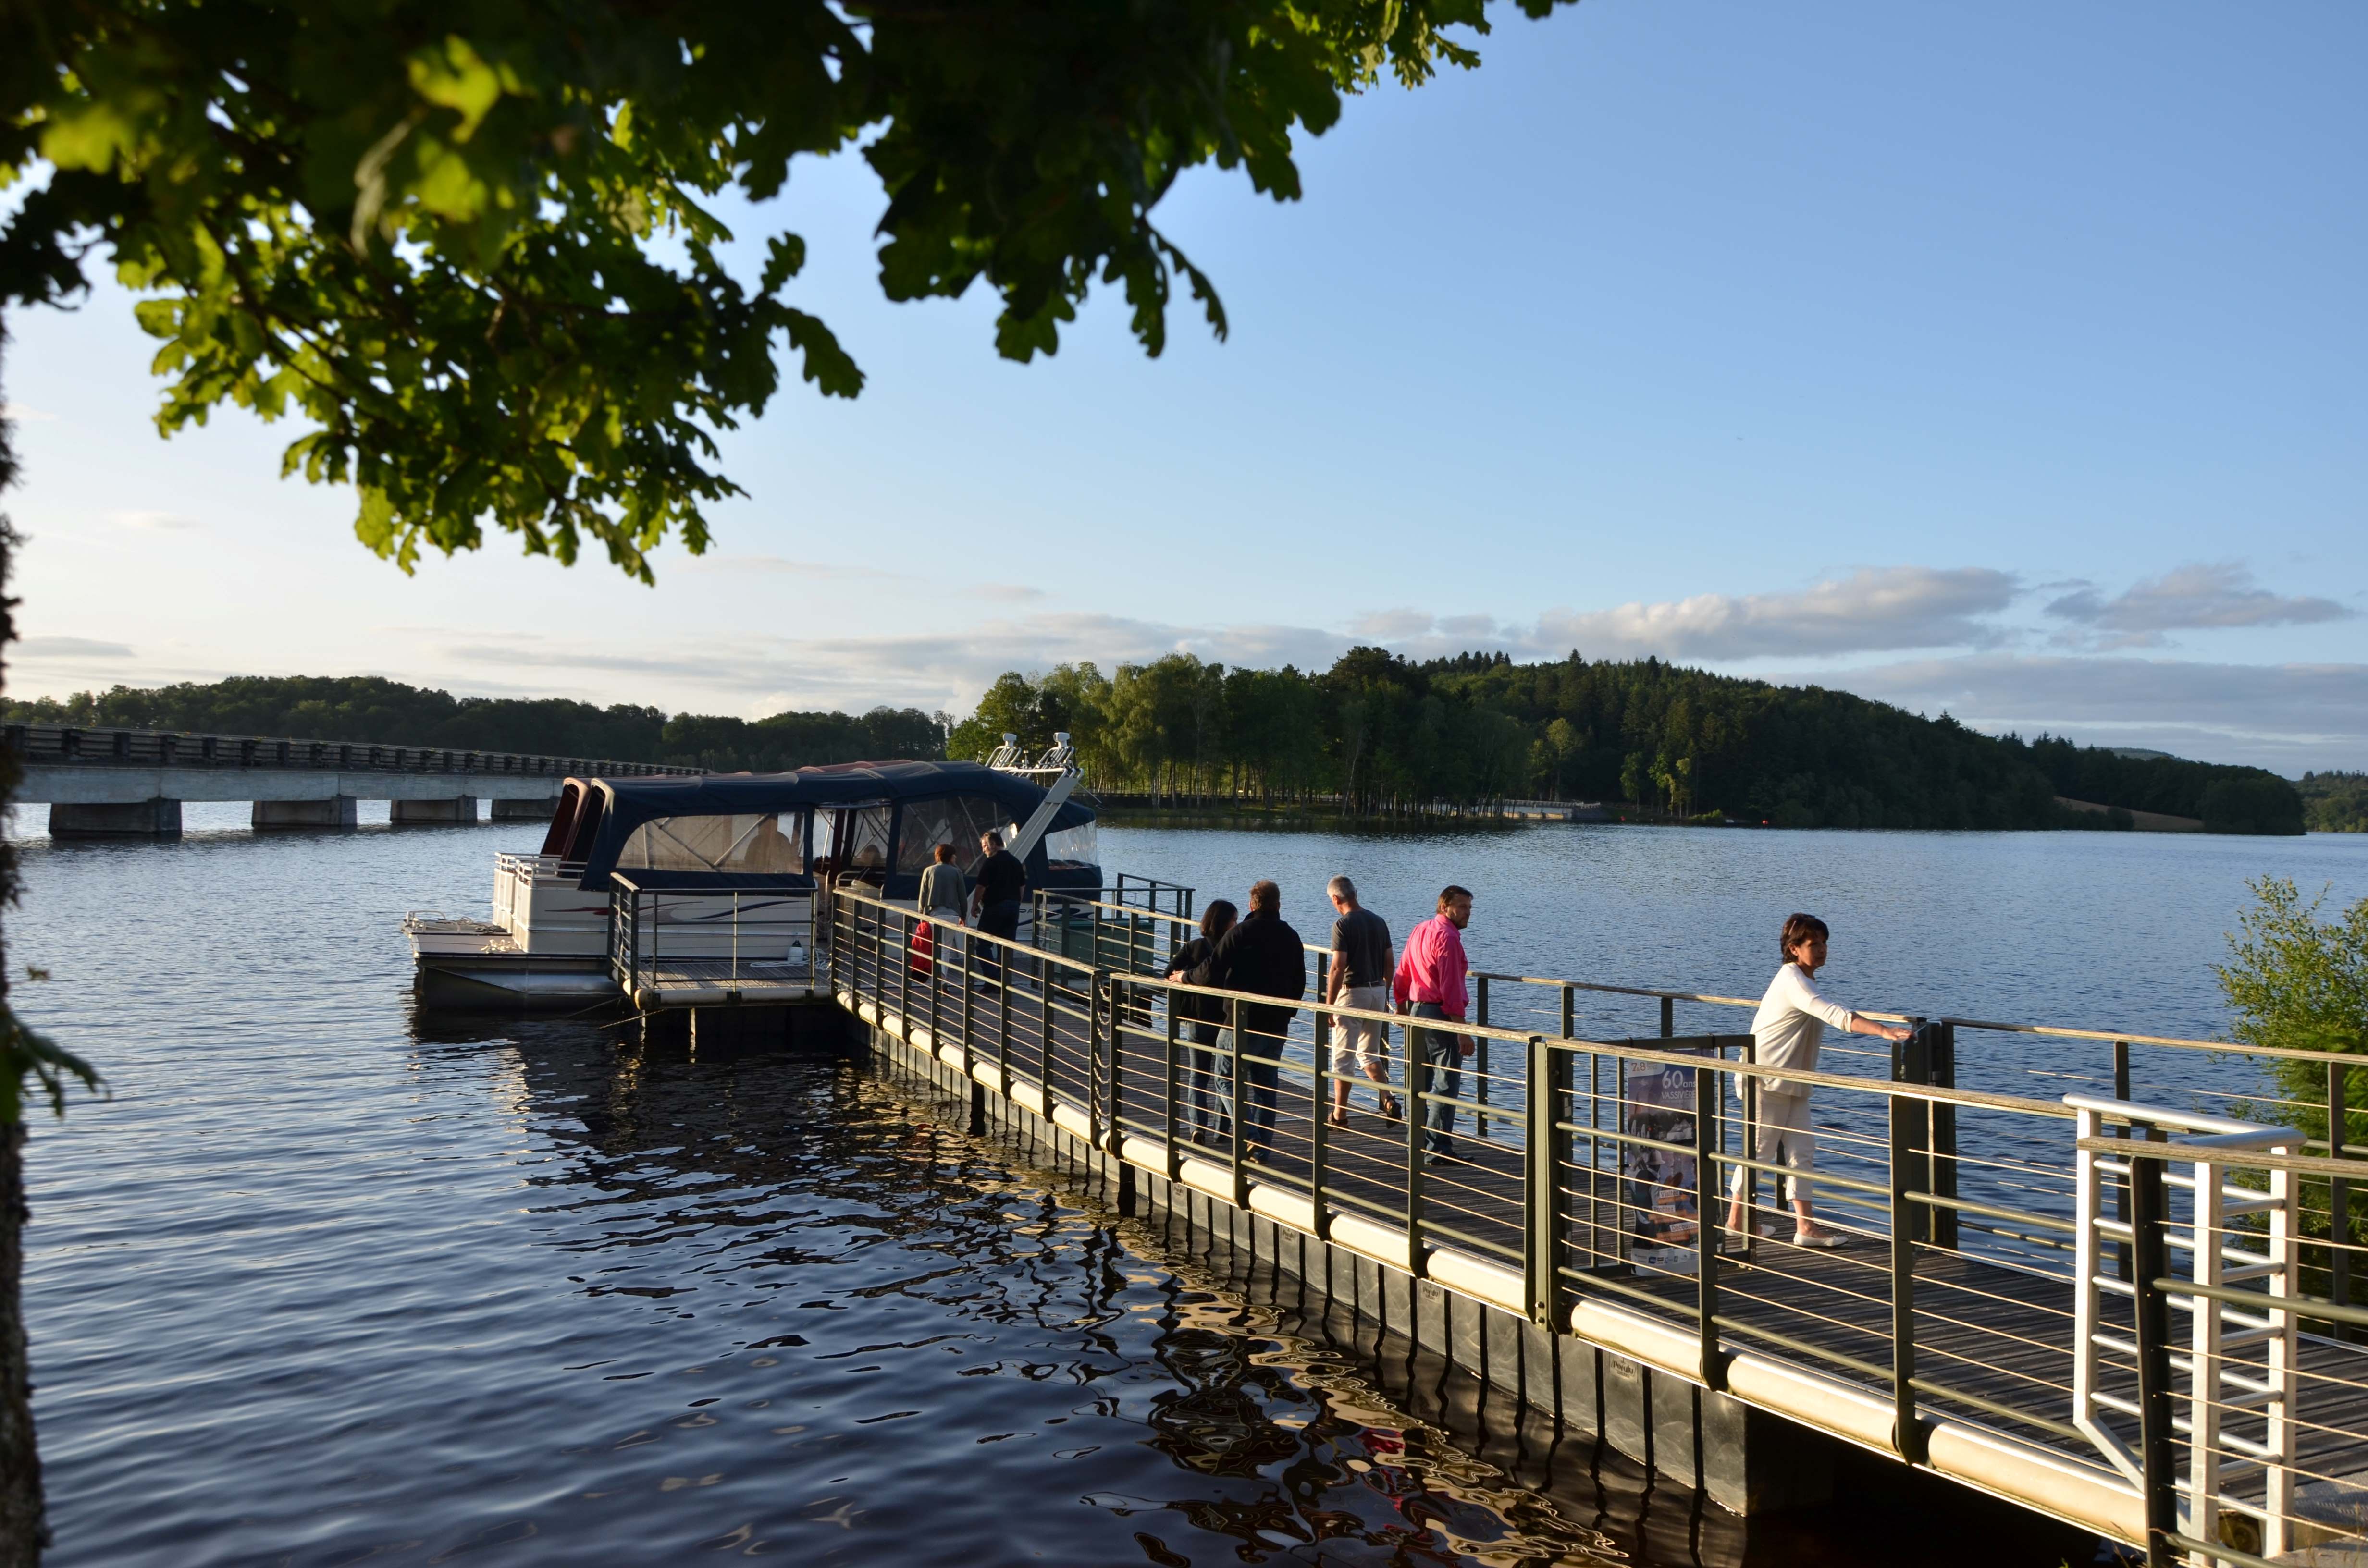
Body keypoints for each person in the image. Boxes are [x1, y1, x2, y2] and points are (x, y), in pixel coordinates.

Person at [1722, 913, 1910, 1250]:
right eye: (1814, 944)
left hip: (1793, 1082)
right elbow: (1835, 1014)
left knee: (1802, 1152)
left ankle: (1805, 1227)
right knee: (1760, 1151)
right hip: (1765, 1080)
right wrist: (1883, 1031)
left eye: (1824, 943)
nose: (1822, 950)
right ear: (1794, 949)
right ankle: (1736, 1221)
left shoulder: (1804, 979)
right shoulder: (1792, 981)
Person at [1200, 880, 1306, 1163]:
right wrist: (1287, 1013)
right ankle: (1260, 1150)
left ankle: (1248, 1134)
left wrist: (1184, 978)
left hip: (1240, 1021)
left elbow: (1212, 970)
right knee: (1265, 1087)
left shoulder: (1240, 932)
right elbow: (1300, 982)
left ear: (1251, 905)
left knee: (1225, 1078)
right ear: (1278, 905)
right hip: (1276, 1024)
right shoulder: (1291, 936)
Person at [1393, 885, 1475, 1164]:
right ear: (1445, 907)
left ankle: (1413, 1143)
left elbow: (1403, 971)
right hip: (1440, 1015)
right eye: (1462, 907)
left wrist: (1403, 1007)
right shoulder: (1448, 938)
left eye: (1469, 908)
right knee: (1445, 1082)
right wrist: (1462, 1030)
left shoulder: (1421, 930)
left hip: (1417, 1011)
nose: (1467, 913)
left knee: (1417, 1080)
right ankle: (1437, 1149)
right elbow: (1450, 987)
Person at [1324, 875, 1401, 1127]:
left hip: (1352, 993)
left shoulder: (1342, 925)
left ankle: (1340, 1115)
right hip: (1377, 991)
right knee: (1369, 1053)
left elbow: (1337, 968)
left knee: (1342, 1058)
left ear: (1336, 899)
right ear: (1355, 893)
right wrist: (1385, 991)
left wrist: (1329, 1004)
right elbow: (1390, 963)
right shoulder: (1378, 921)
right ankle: (1388, 1099)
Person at [1165, 900, 1239, 1143]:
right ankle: (1221, 1129)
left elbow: (1168, 973)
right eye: (1234, 920)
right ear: (1226, 923)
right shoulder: (1234, 948)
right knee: (1224, 1076)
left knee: (1198, 1075)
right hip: (1226, 1020)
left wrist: (1181, 979)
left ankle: (1197, 1127)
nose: (1237, 924)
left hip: (1197, 1018)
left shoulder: (1194, 947)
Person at [969, 829, 1025, 990]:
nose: (983, 849)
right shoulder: (1015, 861)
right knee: (1006, 947)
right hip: (1013, 907)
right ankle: (1004, 984)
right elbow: (1022, 886)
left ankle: (992, 980)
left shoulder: (991, 862)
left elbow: (981, 887)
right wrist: (1017, 903)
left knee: (983, 945)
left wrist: (974, 906)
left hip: (995, 906)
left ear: (993, 844)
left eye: (985, 845)